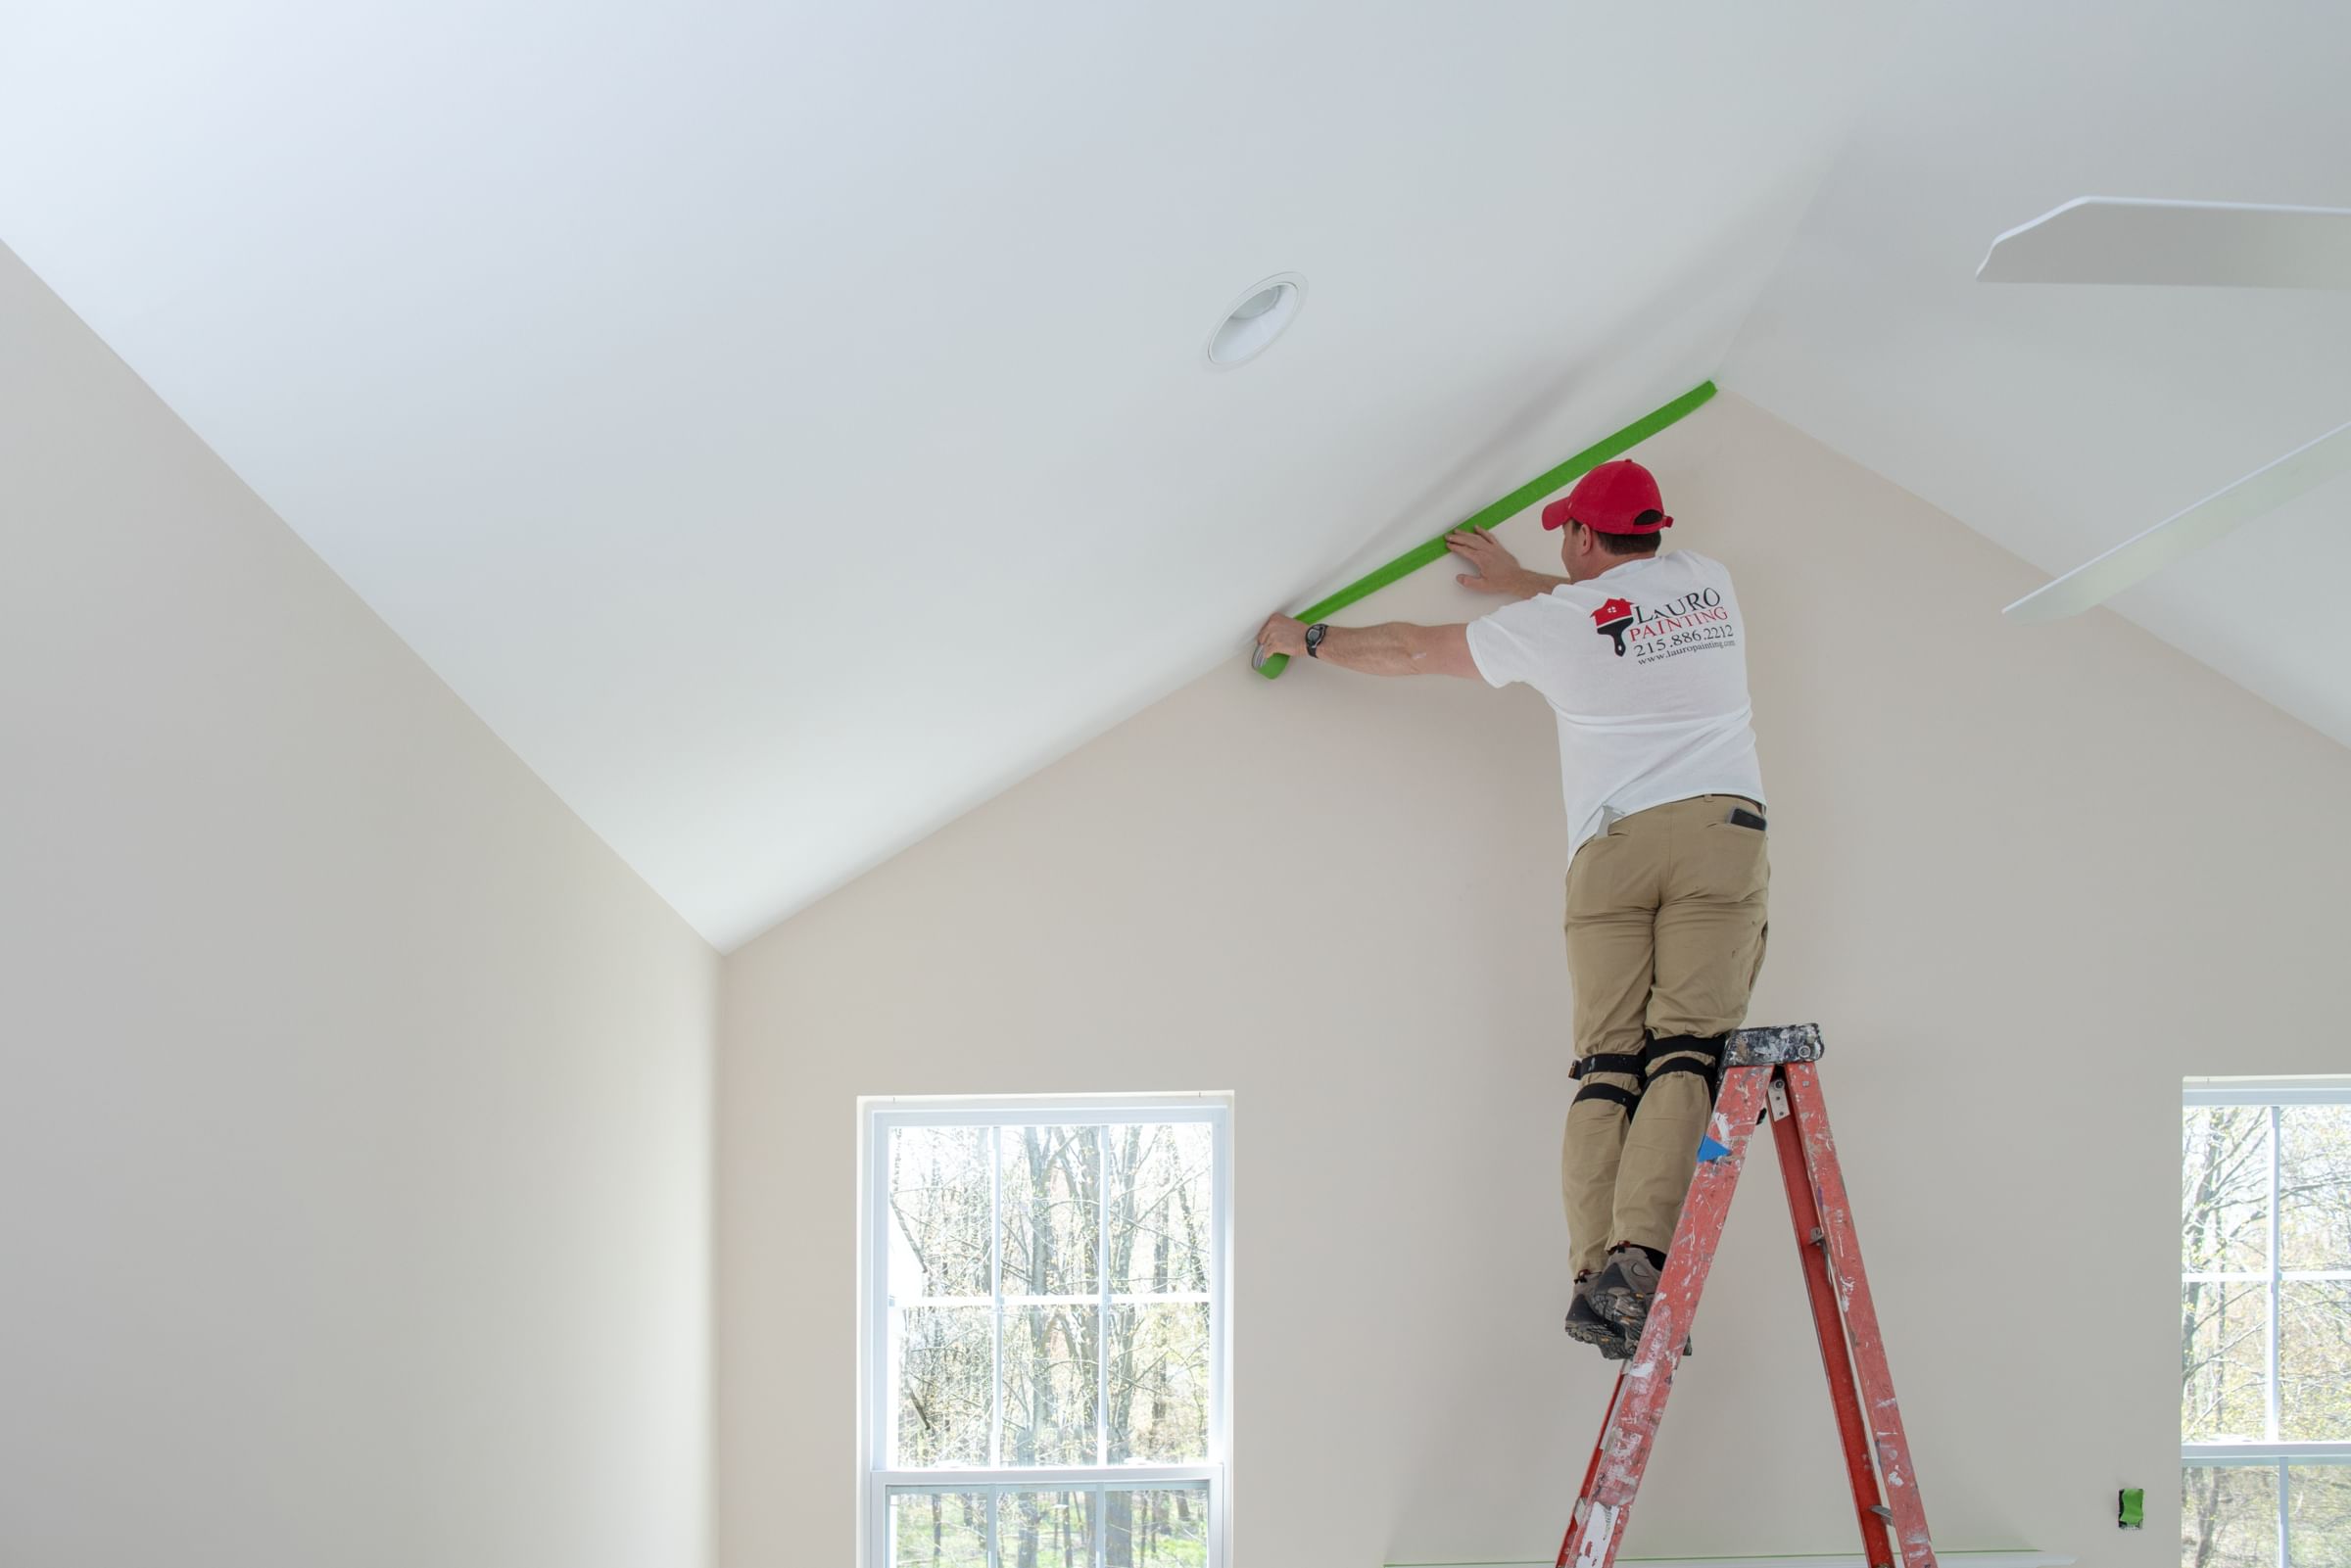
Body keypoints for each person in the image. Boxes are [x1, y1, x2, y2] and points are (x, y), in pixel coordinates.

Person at [1253, 459, 1768, 1359]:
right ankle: (1638, 1261)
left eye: (1567, 532)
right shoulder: (1706, 582)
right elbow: (1618, 606)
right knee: (1684, 1049)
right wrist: (1522, 584)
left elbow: (1417, 648)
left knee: (1609, 1064)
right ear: (1653, 529)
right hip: (1721, 837)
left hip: (1609, 856)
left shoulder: (1555, 625)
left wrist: (1306, 637)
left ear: (1579, 537)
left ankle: (1587, 1275)